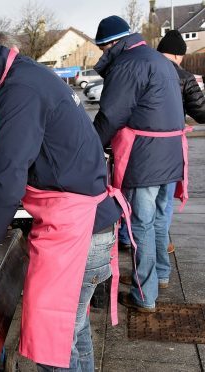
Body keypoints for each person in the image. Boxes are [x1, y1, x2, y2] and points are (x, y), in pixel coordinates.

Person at [0, 16, 126, 371]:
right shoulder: (21, 76)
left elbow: (7, 180)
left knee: (52, 344)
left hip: (76, 231)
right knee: (72, 331)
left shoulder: (19, 91)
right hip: (84, 224)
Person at [92, 16, 188, 312]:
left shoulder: (128, 63)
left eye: (102, 49)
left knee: (140, 227)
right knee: (159, 220)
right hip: (171, 155)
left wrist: (91, 146)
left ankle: (144, 296)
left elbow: (110, 114)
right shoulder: (160, 61)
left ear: (110, 44)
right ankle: (161, 275)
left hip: (145, 158)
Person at [157, 30, 205, 253]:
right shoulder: (184, 77)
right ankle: (161, 246)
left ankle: (132, 241)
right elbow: (201, 113)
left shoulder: (144, 70)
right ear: (179, 55)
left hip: (137, 145)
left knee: (138, 202)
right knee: (164, 201)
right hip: (171, 145)